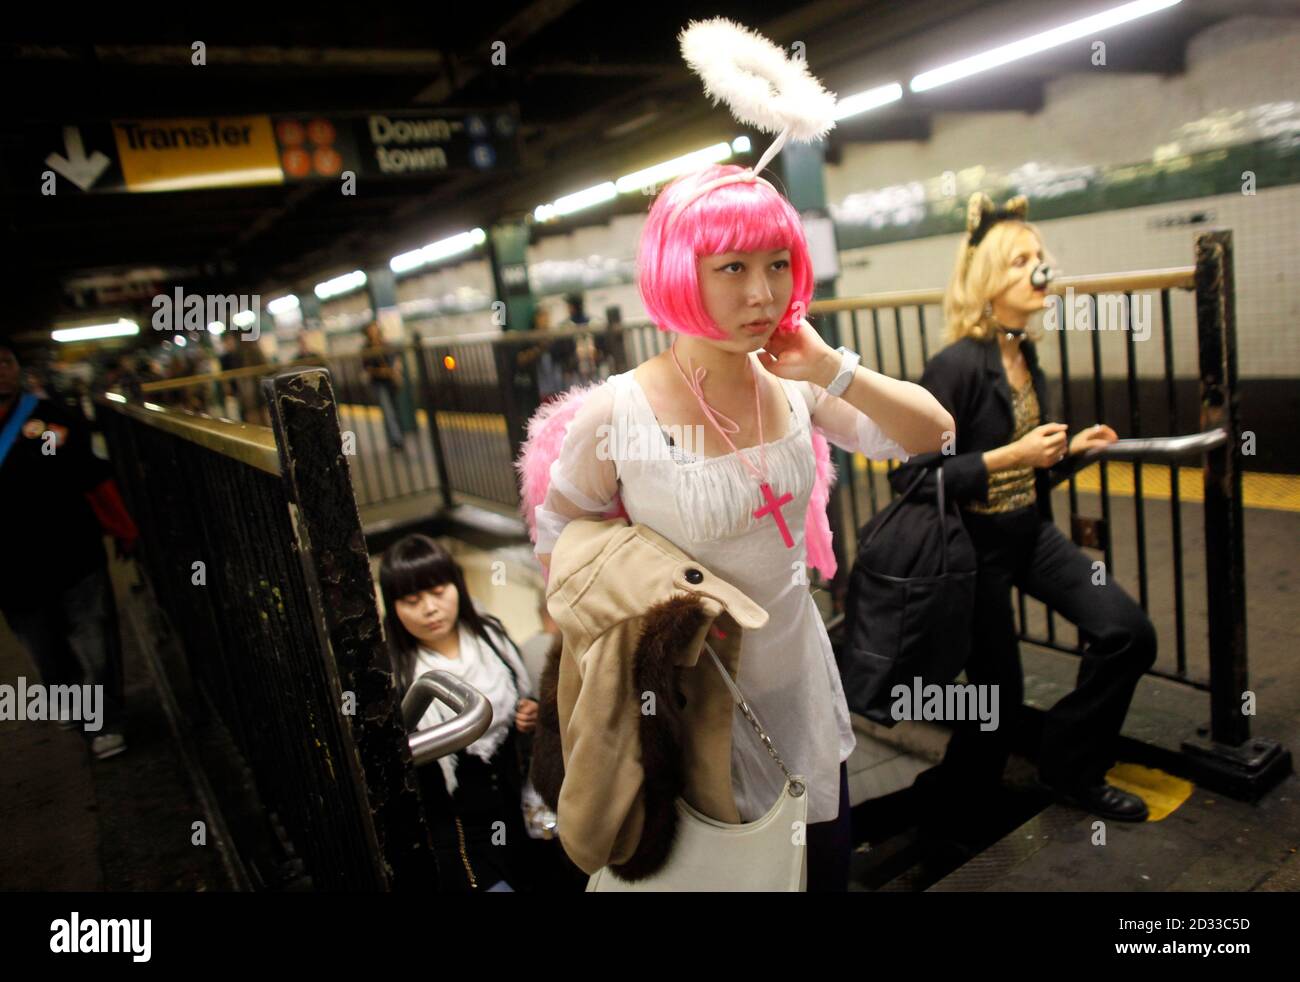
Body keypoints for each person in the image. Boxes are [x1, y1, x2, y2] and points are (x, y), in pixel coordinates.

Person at [528, 162, 952, 891]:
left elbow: (930, 434)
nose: (762, 293)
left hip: (799, 681)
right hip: (692, 699)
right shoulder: (618, 414)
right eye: (732, 267)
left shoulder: (795, 384)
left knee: (820, 871)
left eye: (778, 264)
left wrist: (831, 368)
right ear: (678, 273)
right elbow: (560, 535)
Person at [901, 193, 1157, 834]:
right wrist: (1010, 451)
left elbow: (1026, 467)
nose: (1039, 271)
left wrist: (1072, 454)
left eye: (1039, 259)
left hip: (1028, 534)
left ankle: (1067, 763)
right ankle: (960, 802)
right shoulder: (955, 365)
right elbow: (911, 475)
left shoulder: (1024, 355)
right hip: (973, 549)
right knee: (997, 698)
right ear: (989, 282)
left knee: (1127, 633)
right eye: (1020, 262)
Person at [0, 340, 137, 759]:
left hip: (71, 550)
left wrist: (122, 527)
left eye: (4, 361)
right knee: (46, 648)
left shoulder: (53, 418)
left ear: (18, 367)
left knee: (92, 638)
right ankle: (73, 705)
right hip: (11, 568)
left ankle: (102, 722)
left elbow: (90, 474)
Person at [379, 534, 539, 892]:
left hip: (519, 812)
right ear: (394, 607)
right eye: (411, 600)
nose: (430, 608)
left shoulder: (491, 637)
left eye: (438, 591)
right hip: (459, 833)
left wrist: (530, 713)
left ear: (458, 586)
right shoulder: (396, 677)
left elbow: (522, 698)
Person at [360, 321, 405, 451]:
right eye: (371, 330)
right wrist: (382, 372)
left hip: (391, 381)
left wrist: (395, 371)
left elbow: (396, 358)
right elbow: (367, 368)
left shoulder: (386, 344)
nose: (373, 331)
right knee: (388, 410)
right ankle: (396, 440)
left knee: (394, 409)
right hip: (378, 383)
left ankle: (396, 437)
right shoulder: (366, 348)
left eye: (375, 329)